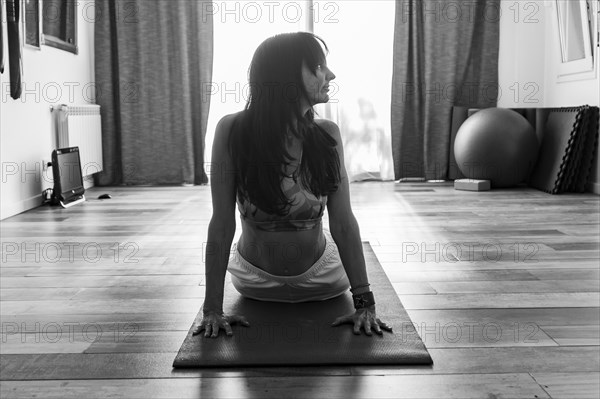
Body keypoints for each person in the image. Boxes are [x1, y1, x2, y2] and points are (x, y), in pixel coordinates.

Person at [195, 32, 391, 338]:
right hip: (255, 281)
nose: (330, 75)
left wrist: (365, 304)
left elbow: (343, 222)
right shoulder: (232, 130)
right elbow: (221, 223)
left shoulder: (327, 134)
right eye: (318, 66)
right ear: (285, 75)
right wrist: (212, 310)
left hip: (324, 279)